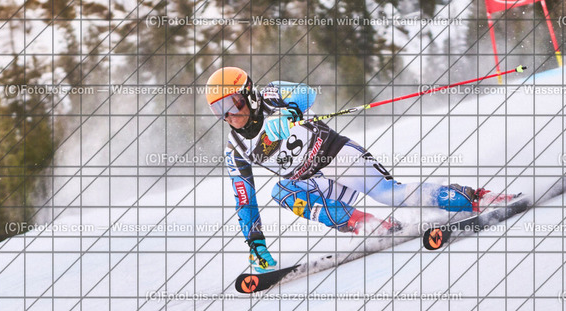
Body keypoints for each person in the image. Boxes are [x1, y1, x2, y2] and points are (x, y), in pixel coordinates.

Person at [206, 67, 510, 272]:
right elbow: (244, 198)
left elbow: (306, 93)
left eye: (233, 104)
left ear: (249, 94)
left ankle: (474, 198)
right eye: (220, 111)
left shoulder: (272, 94)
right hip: (313, 182)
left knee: (390, 194)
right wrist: (255, 241)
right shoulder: (236, 149)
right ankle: (372, 227)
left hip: (336, 155)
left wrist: (289, 112)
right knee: (281, 192)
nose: (230, 115)